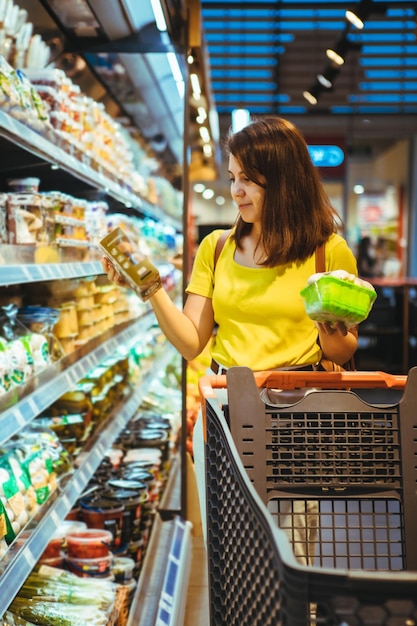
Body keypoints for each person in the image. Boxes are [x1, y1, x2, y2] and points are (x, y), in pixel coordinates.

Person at [101, 115, 359, 565]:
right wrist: (149, 288)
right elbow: (190, 342)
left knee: (292, 550)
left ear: (283, 182)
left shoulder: (327, 251)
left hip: (296, 413)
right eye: (233, 178)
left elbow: (342, 350)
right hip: (224, 409)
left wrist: (330, 332)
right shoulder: (216, 248)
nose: (235, 191)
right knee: (229, 555)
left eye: (249, 181)